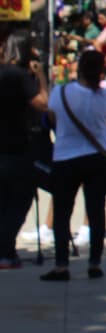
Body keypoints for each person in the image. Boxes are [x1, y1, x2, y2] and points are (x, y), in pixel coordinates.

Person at [42, 48, 106, 281]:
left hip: (66, 156)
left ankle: (61, 265)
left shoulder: (61, 92)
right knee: (96, 211)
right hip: (98, 157)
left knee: (63, 212)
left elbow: (52, 118)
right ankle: (94, 263)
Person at [0, 31, 49, 269]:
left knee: (3, 202)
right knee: (19, 201)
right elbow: (43, 103)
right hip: (17, 147)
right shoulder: (20, 76)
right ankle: (5, 250)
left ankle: (7, 250)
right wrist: (40, 75)